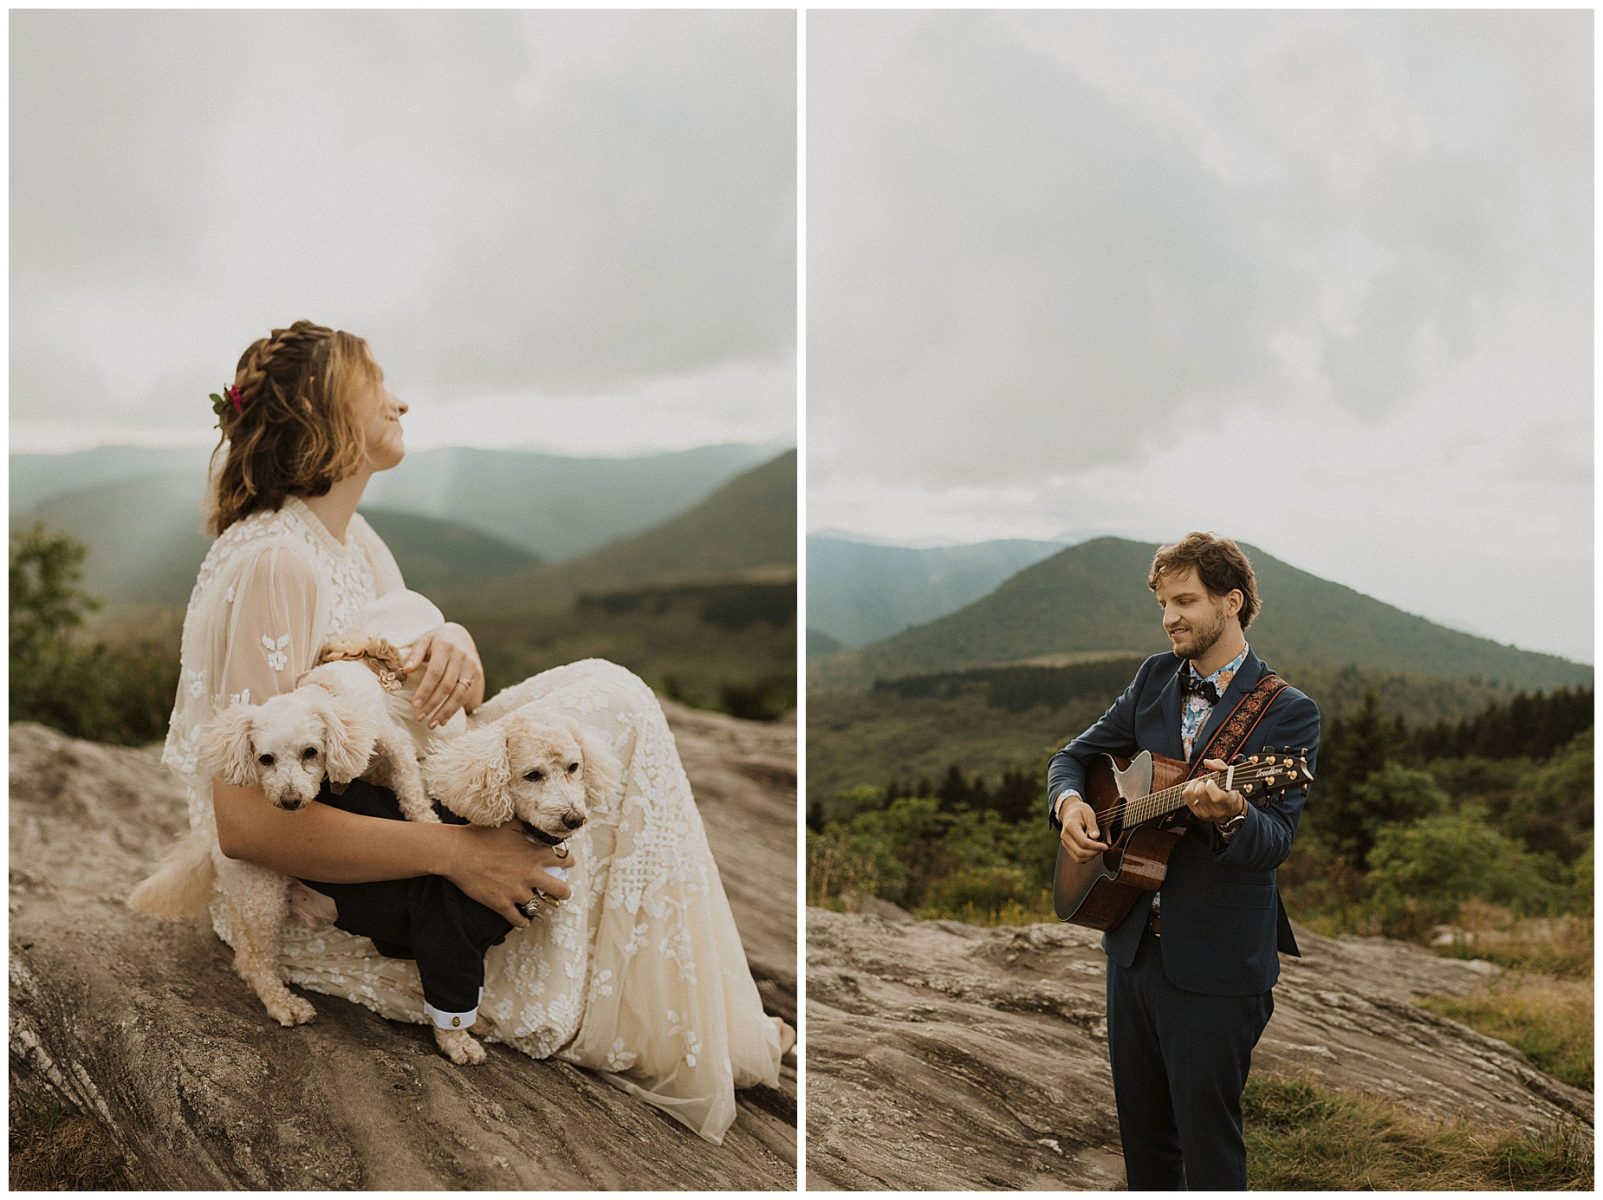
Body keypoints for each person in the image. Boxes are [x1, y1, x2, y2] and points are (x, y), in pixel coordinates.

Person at [161, 320, 793, 1144]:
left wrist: (448, 636)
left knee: (608, 700)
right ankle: (633, 999)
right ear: (324, 408)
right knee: (615, 702)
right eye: (376, 381)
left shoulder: (354, 542)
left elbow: (410, 703)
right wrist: (459, 853)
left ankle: (682, 990)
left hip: (391, 816)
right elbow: (245, 822)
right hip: (332, 902)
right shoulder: (277, 560)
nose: (400, 399)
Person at [1046, 532, 1320, 1190]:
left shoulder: (1286, 711)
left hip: (1216, 966)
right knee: (1143, 1144)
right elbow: (1071, 759)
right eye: (1163, 603)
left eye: (1184, 601)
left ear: (1231, 603)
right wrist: (1071, 807)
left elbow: (1273, 842)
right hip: (1131, 949)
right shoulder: (1152, 678)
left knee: (1207, 1148)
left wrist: (1230, 814)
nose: (1169, 616)